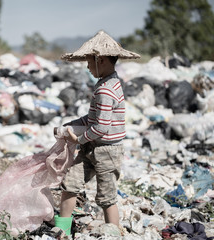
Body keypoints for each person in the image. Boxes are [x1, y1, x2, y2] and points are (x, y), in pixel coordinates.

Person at [53, 30, 140, 236]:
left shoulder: (106, 90)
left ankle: (114, 233)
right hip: (92, 146)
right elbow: (93, 119)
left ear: (99, 60)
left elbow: (101, 127)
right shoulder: (107, 83)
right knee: (71, 183)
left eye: (89, 62)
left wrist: (79, 138)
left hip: (107, 151)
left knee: (106, 197)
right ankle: (62, 229)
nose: (87, 66)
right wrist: (71, 125)